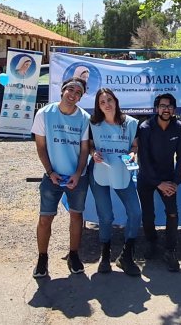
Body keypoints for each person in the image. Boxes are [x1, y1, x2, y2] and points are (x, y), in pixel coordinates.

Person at [30, 76, 90, 278]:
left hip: (77, 177)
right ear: (63, 90)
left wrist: (77, 174)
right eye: (71, 90)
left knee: (76, 216)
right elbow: (40, 146)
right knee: (45, 217)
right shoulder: (44, 114)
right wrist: (50, 172)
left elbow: (84, 150)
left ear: (81, 98)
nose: (73, 95)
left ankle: (73, 255)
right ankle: (42, 258)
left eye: (78, 93)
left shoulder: (84, 118)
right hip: (52, 176)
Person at [89, 88, 141, 276]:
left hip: (122, 172)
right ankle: (105, 256)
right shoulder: (93, 124)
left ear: (116, 100)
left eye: (109, 100)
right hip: (100, 173)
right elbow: (90, 146)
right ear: (98, 106)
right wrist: (93, 153)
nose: (107, 105)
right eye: (102, 102)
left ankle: (126, 256)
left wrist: (133, 153)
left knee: (135, 213)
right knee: (106, 217)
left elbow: (134, 145)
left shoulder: (131, 123)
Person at [137, 93, 181, 272]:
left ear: (174, 109)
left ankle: (170, 249)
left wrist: (175, 182)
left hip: (168, 178)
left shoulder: (179, 127)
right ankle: (152, 242)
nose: (166, 109)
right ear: (156, 108)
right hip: (147, 178)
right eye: (163, 105)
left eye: (170, 106)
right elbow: (144, 159)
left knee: (172, 213)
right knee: (148, 215)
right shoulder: (145, 127)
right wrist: (159, 183)